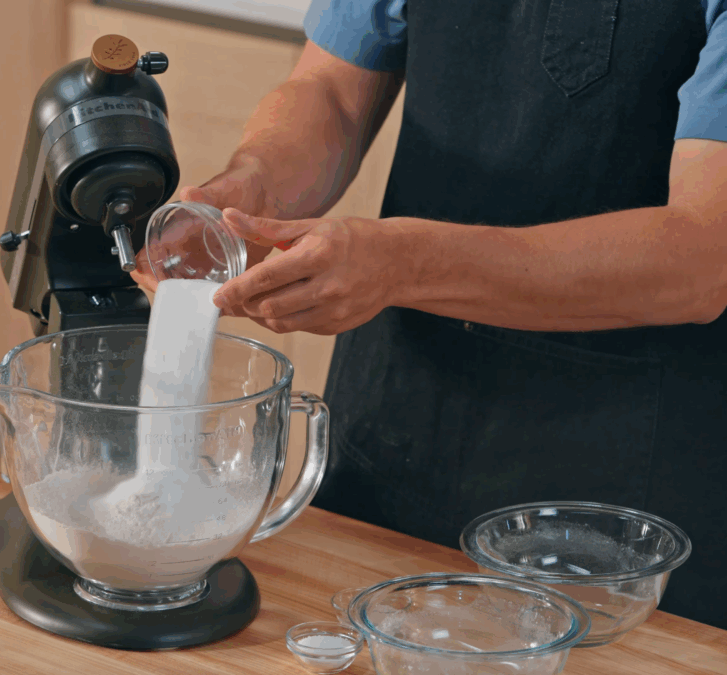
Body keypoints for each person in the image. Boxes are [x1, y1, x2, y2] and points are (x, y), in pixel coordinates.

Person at [132, 0, 726, 628]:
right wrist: (252, 187)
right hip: (395, 426)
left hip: (622, 505)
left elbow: (701, 256)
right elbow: (330, 89)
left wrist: (406, 265)